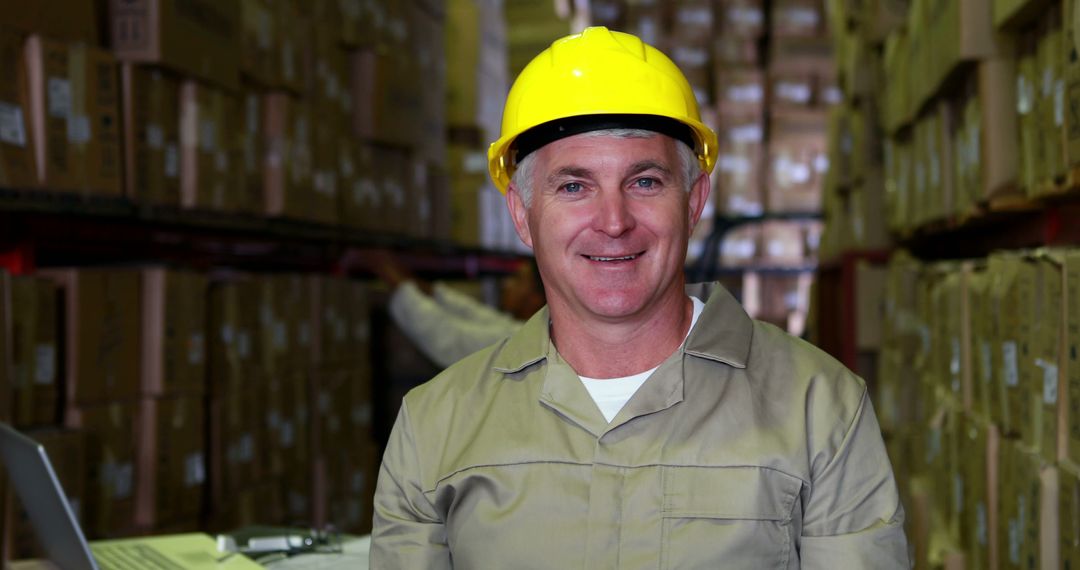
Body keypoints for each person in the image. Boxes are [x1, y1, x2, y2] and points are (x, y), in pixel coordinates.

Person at [371, 27, 908, 568]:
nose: (614, 222)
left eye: (645, 182)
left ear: (694, 201)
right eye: (574, 187)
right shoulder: (433, 428)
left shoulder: (821, 409)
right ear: (521, 214)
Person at [374, 251, 545, 368]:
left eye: (519, 280)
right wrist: (423, 288)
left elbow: (453, 337)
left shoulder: (523, 343)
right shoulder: (521, 328)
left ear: (535, 298)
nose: (506, 284)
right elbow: (473, 314)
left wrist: (390, 274)